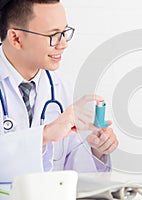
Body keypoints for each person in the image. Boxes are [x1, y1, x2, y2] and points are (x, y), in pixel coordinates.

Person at [0, 0, 118, 184]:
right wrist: (45, 135)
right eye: (53, 35)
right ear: (16, 38)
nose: (63, 44)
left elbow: (74, 175)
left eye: (64, 33)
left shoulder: (64, 89)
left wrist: (97, 150)